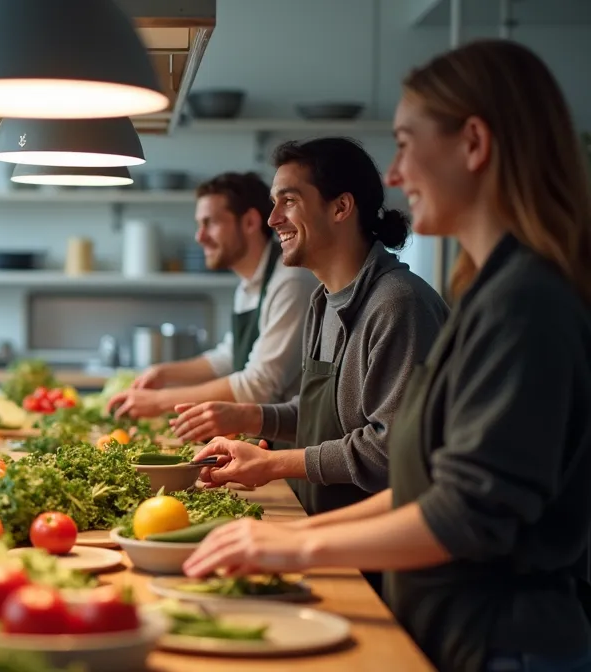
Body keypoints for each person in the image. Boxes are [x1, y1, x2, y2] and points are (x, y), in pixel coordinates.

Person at [183, 39, 591, 672]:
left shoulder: (521, 304)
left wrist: (292, 547)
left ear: (474, 143)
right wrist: (288, 533)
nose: (394, 175)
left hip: (501, 642)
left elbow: (462, 514)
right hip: (456, 628)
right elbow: (422, 480)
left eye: (404, 143)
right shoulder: (491, 292)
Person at [173, 137, 449, 523]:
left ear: (341, 207)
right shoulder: (324, 301)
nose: (273, 219)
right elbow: (326, 414)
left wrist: (273, 463)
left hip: (369, 538)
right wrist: (249, 416)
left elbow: (390, 448)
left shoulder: (398, 304)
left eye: (289, 200)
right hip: (322, 520)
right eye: (274, 203)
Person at [106, 172, 319, 418]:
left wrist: (160, 401)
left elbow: (258, 386)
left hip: (291, 436)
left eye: (210, 223)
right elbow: (229, 356)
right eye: (200, 224)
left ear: (250, 222)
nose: (200, 237)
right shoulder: (249, 283)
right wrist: (163, 373)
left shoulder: (290, 282)